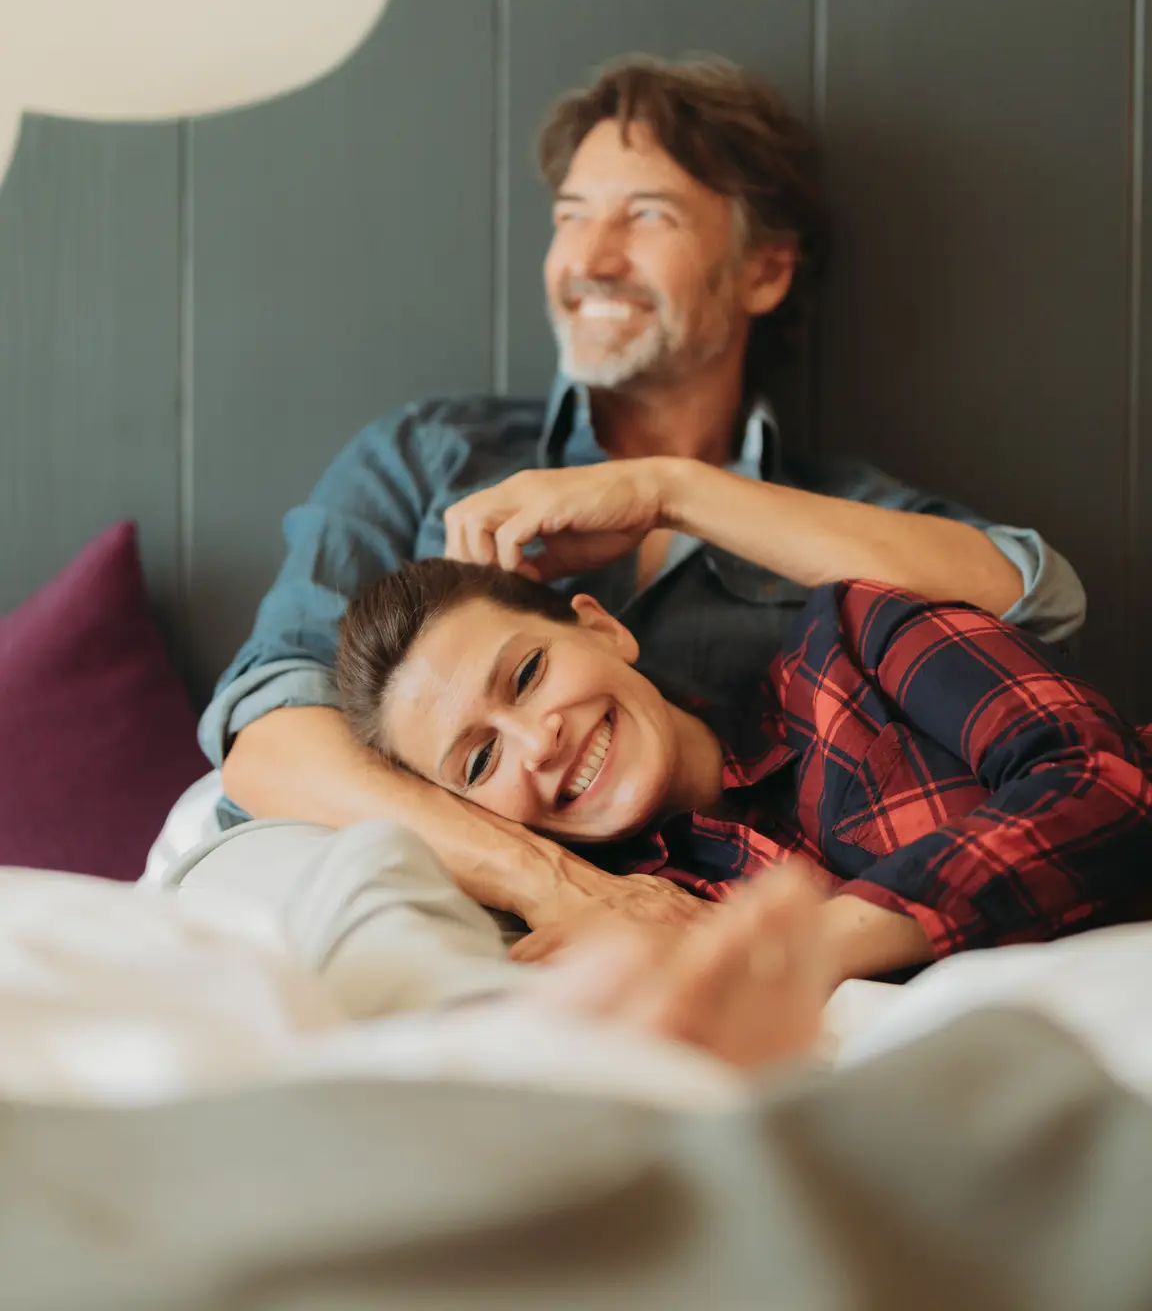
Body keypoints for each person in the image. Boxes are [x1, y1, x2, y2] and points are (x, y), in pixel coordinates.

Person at [200, 54, 1086, 937]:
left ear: (764, 272)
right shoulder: (425, 455)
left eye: (647, 216)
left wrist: (672, 491)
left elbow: (1033, 598)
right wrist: (550, 883)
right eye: (571, 216)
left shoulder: (833, 510)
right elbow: (270, 744)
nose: (589, 258)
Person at [335, 559, 1152, 982]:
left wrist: (796, 948)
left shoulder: (853, 641)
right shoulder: (633, 925)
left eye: (526, 675)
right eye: (480, 761)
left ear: (603, 629)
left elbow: (1105, 782)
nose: (536, 741)